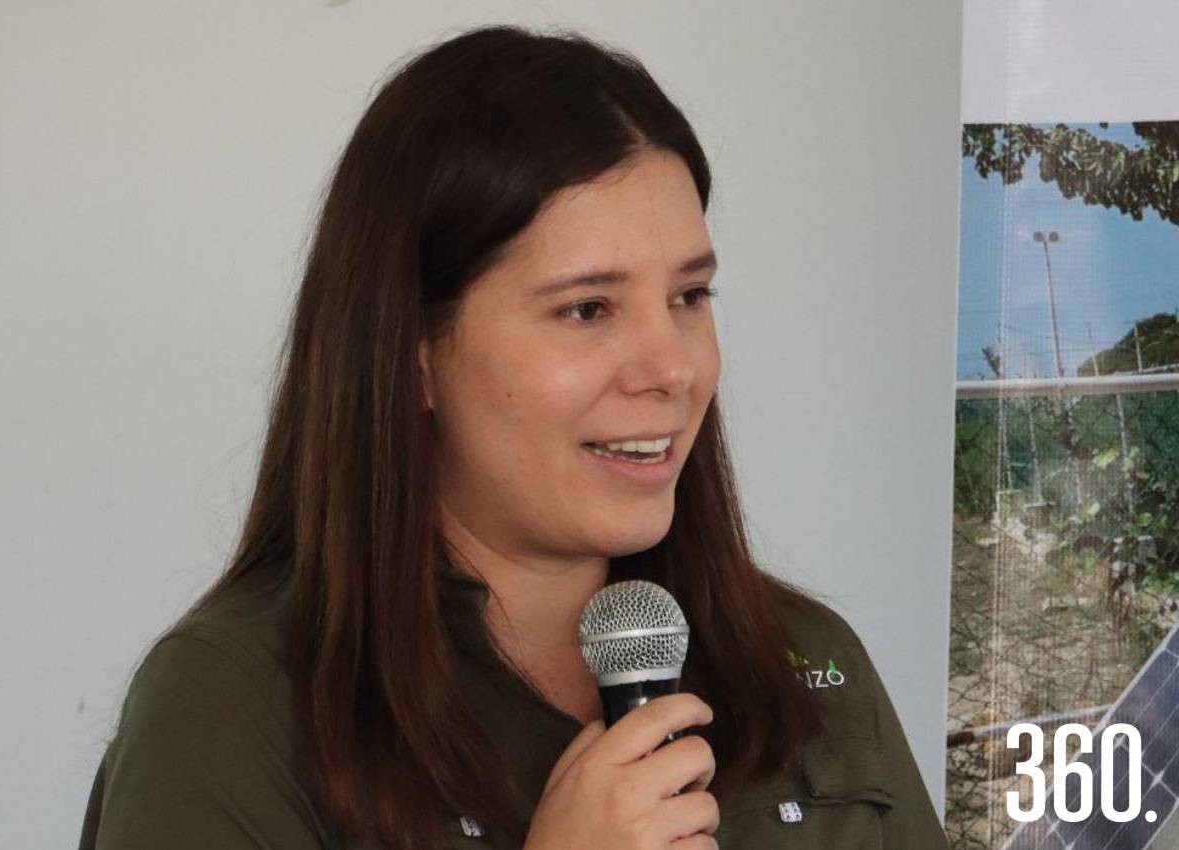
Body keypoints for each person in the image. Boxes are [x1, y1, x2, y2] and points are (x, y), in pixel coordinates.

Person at [78, 23, 949, 850]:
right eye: (587, 309)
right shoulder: (233, 710)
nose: (670, 368)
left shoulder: (810, 660)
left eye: (689, 297)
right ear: (411, 351)